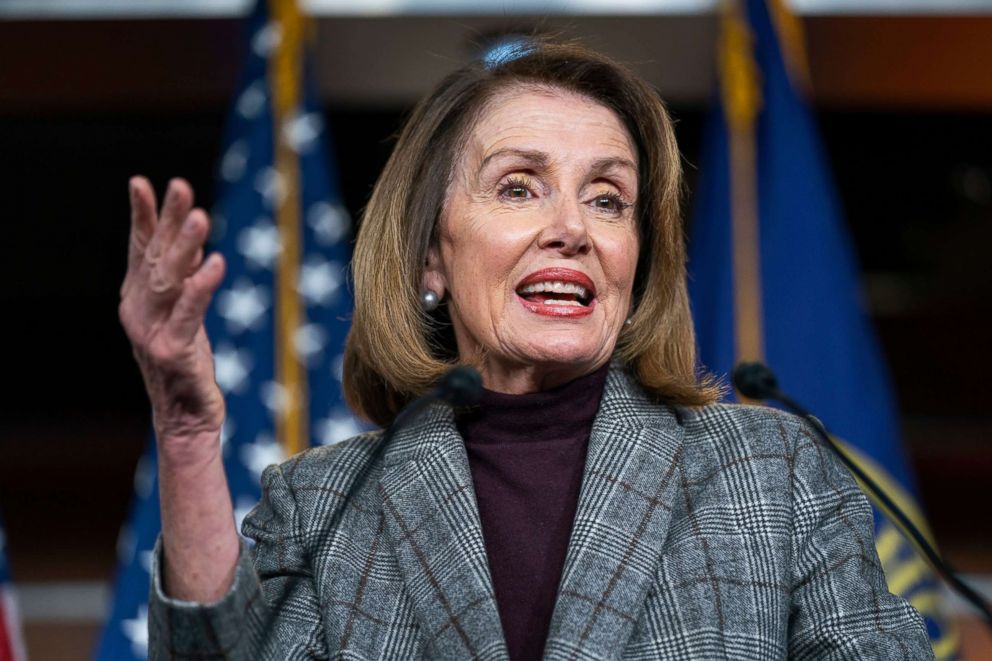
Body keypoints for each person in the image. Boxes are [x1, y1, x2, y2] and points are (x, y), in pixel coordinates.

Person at [119, 38, 933, 659]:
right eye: (518, 186)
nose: (572, 229)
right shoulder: (325, 505)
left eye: (608, 199)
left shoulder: (775, 475)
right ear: (431, 254)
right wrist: (188, 438)